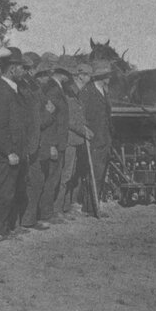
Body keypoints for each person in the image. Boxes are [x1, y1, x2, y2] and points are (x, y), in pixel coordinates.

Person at [0, 48, 28, 236]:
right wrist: (8, 151)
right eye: (22, 67)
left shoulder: (11, 89)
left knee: (9, 190)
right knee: (4, 192)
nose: (24, 71)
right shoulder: (3, 91)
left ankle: (4, 227)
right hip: (5, 152)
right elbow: (0, 125)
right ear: (12, 68)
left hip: (14, 150)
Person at [37, 58, 71, 223]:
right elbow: (50, 121)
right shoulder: (52, 90)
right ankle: (46, 213)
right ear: (62, 74)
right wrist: (51, 145)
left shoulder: (57, 88)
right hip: (54, 143)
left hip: (59, 142)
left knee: (54, 178)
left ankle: (48, 212)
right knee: (50, 179)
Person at [58, 60, 94, 214]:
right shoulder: (70, 93)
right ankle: (57, 209)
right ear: (80, 76)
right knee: (65, 176)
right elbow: (70, 120)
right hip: (70, 140)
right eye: (88, 76)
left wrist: (85, 127)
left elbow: (79, 117)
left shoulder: (78, 93)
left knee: (71, 175)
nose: (90, 79)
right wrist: (83, 130)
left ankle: (65, 207)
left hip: (76, 139)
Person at [80, 59, 113, 215]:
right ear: (100, 76)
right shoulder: (88, 91)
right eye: (107, 75)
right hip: (94, 138)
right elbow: (82, 113)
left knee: (100, 173)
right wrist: (85, 128)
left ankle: (94, 204)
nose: (109, 78)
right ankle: (90, 207)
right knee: (94, 172)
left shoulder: (104, 91)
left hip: (104, 138)